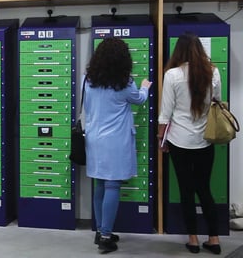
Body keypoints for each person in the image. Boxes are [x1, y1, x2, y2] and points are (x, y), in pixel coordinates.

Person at [84, 37, 152, 253]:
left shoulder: (89, 80)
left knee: (100, 185)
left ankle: (100, 230)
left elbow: (88, 106)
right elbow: (139, 100)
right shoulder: (125, 83)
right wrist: (145, 87)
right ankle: (105, 237)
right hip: (114, 140)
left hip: (94, 138)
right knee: (112, 185)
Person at [157, 32, 222, 255]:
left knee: (186, 191)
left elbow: (165, 113)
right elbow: (217, 103)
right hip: (205, 140)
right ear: (200, 50)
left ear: (179, 51)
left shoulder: (172, 75)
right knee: (204, 189)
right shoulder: (213, 72)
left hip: (179, 141)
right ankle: (214, 238)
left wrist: (161, 140)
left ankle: (193, 240)